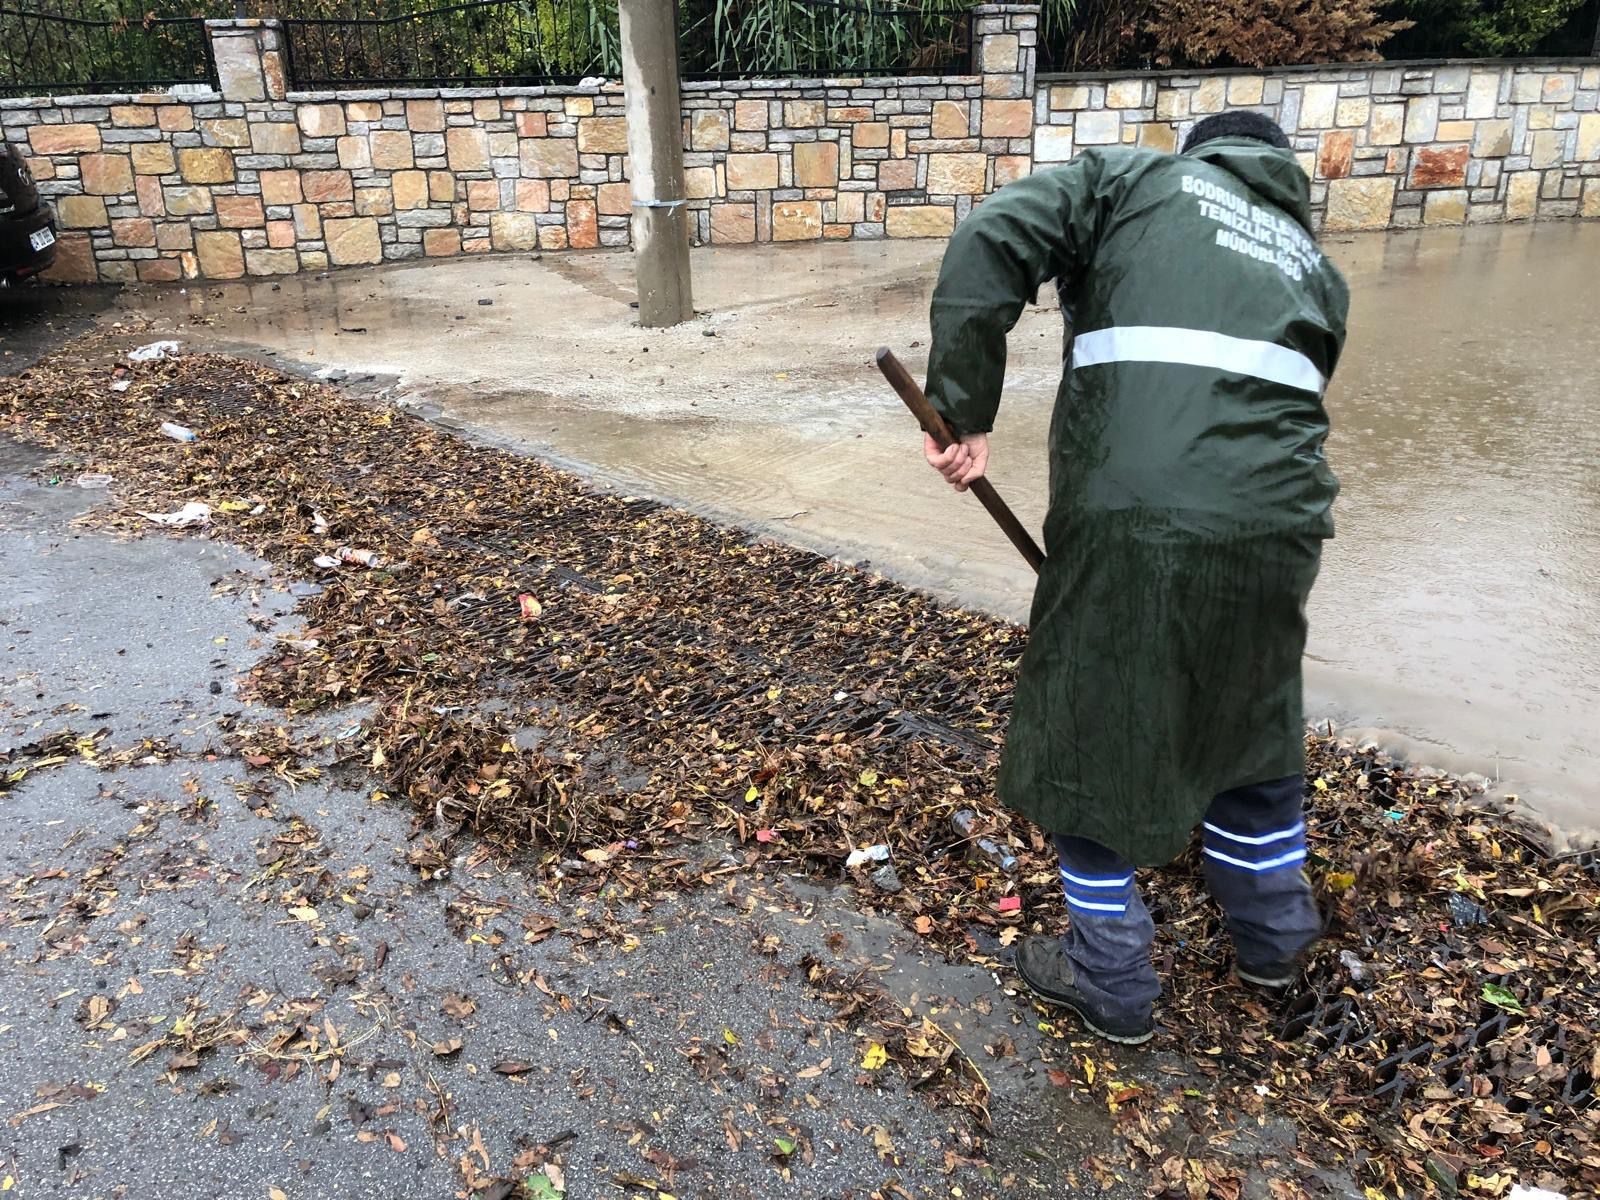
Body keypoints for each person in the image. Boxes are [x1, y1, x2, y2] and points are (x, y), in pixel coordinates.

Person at [920, 111, 1348, 1045]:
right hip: (1285, 519)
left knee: (1094, 718)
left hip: (1136, 508)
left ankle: (1109, 976)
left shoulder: (1133, 182)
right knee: (1250, 708)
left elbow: (992, 234)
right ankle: (1274, 941)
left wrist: (962, 408)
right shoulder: (1312, 262)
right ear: (1282, 174)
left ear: (1201, 154)